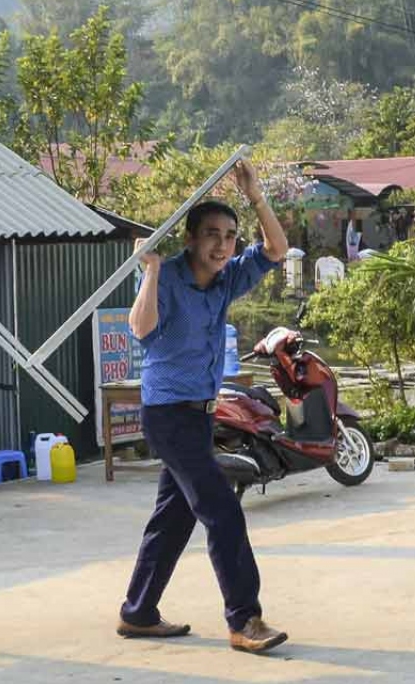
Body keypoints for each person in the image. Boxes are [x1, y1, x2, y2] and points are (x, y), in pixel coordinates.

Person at [118, 161, 291, 654]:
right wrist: (151, 271)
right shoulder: (166, 276)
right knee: (222, 510)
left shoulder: (227, 278)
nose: (222, 245)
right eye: (212, 234)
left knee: (174, 518)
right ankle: (244, 619)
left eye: (230, 236)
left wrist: (255, 195)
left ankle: (138, 612)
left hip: (200, 416)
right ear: (190, 238)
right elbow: (141, 329)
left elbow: (276, 250)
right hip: (168, 415)